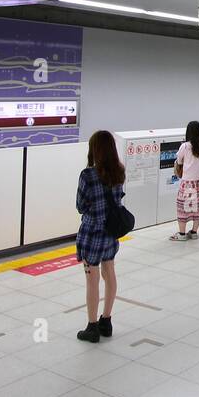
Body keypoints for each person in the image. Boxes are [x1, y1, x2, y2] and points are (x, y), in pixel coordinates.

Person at [74, 131, 126, 343]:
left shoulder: (87, 175)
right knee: (110, 273)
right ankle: (107, 321)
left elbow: (80, 206)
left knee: (92, 279)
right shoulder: (119, 172)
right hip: (110, 233)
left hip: (91, 234)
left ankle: (92, 326)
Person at [171, 121, 199, 240]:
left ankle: (182, 234)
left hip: (187, 183)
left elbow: (179, 161)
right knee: (198, 208)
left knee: (183, 208)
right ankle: (194, 232)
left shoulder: (185, 146)